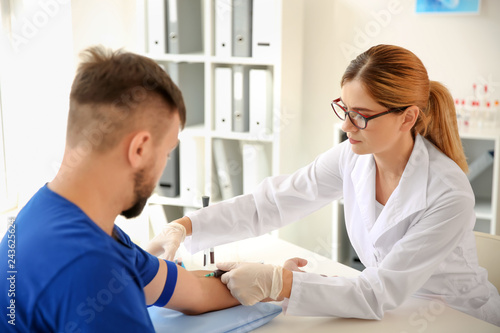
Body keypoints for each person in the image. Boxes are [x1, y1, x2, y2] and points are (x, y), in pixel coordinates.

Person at [146, 44, 500, 326]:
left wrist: (278, 284)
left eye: (362, 115)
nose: (347, 125)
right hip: (389, 310)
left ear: (407, 117)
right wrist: (186, 225)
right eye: (344, 108)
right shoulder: (353, 155)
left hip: (454, 317)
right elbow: (272, 203)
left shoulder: (448, 193)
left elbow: (379, 291)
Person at [0, 46, 240, 332]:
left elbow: (195, 293)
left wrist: (277, 280)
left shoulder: (50, 214)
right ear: (139, 148)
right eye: (166, 152)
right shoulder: (91, 267)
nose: (164, 165)